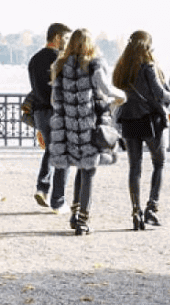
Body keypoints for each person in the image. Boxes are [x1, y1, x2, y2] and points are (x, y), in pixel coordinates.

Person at [49, 29, 120, 236]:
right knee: (88, 171)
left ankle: (74, 214)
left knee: (81, 168)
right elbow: (106, 89)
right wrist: (122, 96)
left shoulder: (60, 66)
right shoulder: (94, 64)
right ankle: (83, 221)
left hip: (68, 128)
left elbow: (54, 100)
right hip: (89, 126)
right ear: (90, 43)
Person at [112, 31, 170, 230]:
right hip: (150, 120)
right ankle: (151, 208)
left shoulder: (122, 67)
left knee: (134, 168)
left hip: (128, 119)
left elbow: (117, 88)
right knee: (159, 162)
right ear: (147, 46)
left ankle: (135, 212)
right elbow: (158, 93)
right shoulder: (148, 66)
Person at [27, 23, 71, 211]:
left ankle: (42, 188)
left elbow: (35, 89)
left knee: (52, 149)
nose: (68, 43)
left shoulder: (34, 60)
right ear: (57, 38)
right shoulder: (59, 60)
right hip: (57, 112)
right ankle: (58, 201)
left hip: (39, 113)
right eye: (66, 39)